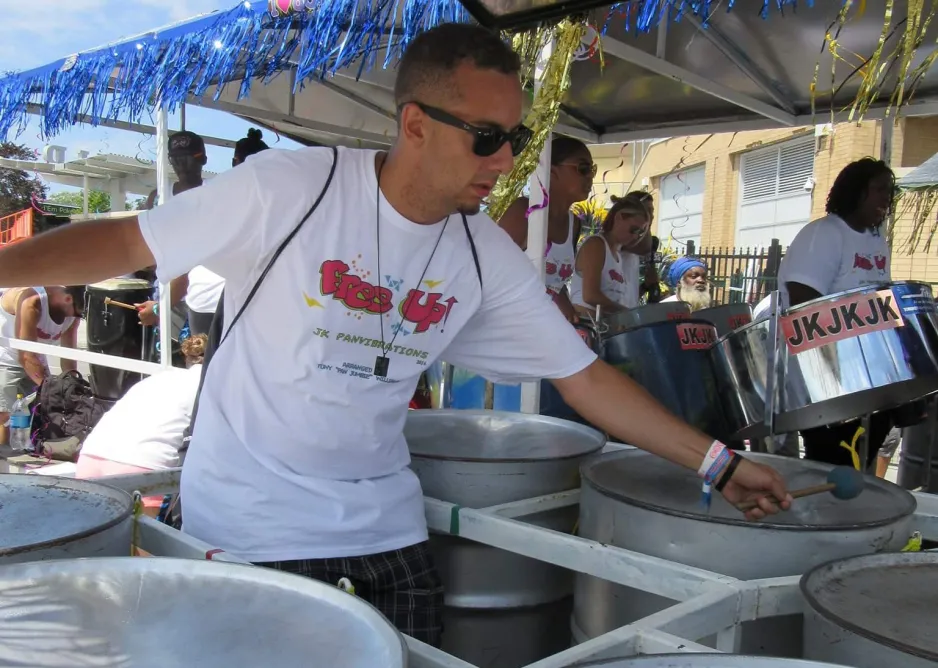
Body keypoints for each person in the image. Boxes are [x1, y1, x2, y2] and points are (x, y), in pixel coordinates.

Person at [0, 23, 790, 644]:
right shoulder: (292, 190)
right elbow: (127, 240)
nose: (506, 161)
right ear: (415, 124)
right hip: (252, 534)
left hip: (390, 539)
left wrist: (719, 463)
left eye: (515, 139)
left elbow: (583, 376)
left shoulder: (484, 254)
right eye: (486, 137)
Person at [775, 157, 896, 470]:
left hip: (866, 373)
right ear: (856, 191)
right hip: (825, 375)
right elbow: (804, 306)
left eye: (890, 190)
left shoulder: (877, 242)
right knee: (831, 463)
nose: (887, 197)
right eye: (880, 189)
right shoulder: (824, 234)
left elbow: (880, 301)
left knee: (859, 461)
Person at [76, 334, 207, 513]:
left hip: (91, 456)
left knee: (94, 529)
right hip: (141, 468)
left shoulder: (162, 377)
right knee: (139, 533)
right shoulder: (209, 386)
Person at [498, 136, 594, 322]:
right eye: (583, 169)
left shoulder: (574, 223)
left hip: (541, 327)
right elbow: (493, 272)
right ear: (552, 171)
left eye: (592, 170)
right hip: (510, 324)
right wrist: (550, 297)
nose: (590, 176)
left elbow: (555, 282)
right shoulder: (524, 211)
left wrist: (566, 306)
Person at [0, 286, 84, 444]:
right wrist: (50, 389)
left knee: (36, 419)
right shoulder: (32, 302)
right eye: (78, 313)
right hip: (5, 359)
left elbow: (68, 357)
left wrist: (73, 388)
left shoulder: (73, 314)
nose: (76, 317)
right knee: (4, 418)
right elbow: (25, 356)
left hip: (36, 362)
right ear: (68, 299)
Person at [570, 195, 649, 315]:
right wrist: (627, 314)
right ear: (618, 218)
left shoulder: (617, 256)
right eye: (633, 229)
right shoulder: (596, 244)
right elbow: (590, 296)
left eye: (640, 233)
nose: (635, 236)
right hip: (585, 322)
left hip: (604, 324)